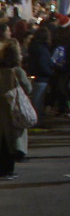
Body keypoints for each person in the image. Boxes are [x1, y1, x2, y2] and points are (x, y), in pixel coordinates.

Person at [0, 41, 31, 179]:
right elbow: (28, 88)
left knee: (2, 140)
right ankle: (8, 170)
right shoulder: (17, 72)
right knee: (12, 140)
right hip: (13, 109)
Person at [27, 27, 53, 126]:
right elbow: (42, 64)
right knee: (38, 101)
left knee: (36, 100)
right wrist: (50, 72)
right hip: (41, 78)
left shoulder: (33, 47)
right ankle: (36, 122)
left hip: (36, 76)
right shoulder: (42, 49)